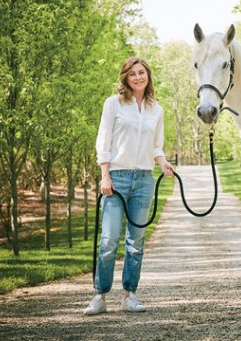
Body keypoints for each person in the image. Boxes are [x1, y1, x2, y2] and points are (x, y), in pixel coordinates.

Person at [84, 56, 174, 315]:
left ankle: (129, 294)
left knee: (136, 241)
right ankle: (99, 296)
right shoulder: (113, 104)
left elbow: (156, 146)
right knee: (109, 239)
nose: (137, 77)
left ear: (148, 76)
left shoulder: (156, 109)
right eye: (132, 73)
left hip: (144, 179)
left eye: (141, 72)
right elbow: (104, 141)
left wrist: (164, 163)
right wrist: (105, 175)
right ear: (126, 77)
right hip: (116, 178)